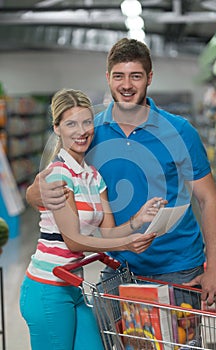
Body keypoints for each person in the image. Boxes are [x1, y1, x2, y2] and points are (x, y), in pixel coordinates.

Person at [26, 38, 216, 307]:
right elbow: (50, 176)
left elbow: (208, 199)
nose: (127, 85)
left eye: (136, 76)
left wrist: (214, 266)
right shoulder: (90, 131)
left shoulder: (180, 131)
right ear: (108, 78)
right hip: (119, 269)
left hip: (179, 270)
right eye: (119, 76)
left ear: (149, 78)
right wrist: (33, 193)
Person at [20, 88, 166, 350]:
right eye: (71, 124)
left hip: (73, 286)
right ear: (57, 129)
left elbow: (107, 232)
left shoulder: (93, 176)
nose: (81, 130)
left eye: (87, 122)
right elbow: (74, 241)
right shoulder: (57, 176)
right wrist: (127, 244)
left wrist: (138, 220)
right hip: (47, 288)